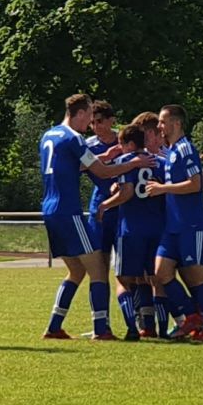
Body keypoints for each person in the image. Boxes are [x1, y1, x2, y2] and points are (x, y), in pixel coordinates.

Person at [40, 93, 153, 341]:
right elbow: (101, 173)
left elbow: (75, 166)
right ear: (80, 114)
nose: (90, 123)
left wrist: (103, 158)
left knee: (76, 272)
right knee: (99, 270)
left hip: (49, 210)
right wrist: (133, 164)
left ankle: (54, 326)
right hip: (68, 211)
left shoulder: (49, 135)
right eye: (89, 117)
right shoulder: (74, 138)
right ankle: (101, 330)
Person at [146, 104, 203, 343]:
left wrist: (162, 189)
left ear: (176, 123)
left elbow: (195, 183)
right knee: (160, 272)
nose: (159, 126)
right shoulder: (173, 150)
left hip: (190, 225)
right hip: (173, 227)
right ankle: (191, 315)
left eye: (162, 121)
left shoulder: (186, 149)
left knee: (198, 278)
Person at [98, 119, 167, 340]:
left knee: (123, 279)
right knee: (154, 279)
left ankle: (131, 329)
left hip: (131, 228)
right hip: (157, 227)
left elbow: (127, 192)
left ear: (128, 144)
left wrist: (105, 205)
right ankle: (158, 328)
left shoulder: (125, 161)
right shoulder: (160, 162)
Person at [85, 100, 123, 323]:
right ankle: (101, 321)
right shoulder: (88, 146)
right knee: (99, 266)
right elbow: (74, 167)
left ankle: (140, 319)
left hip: (126, 210)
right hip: (99, 209)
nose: (96, 126)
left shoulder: (126, 139)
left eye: (100, 121)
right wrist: (105, 158)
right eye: (92, 123)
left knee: (129, 268)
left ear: (111, 121)